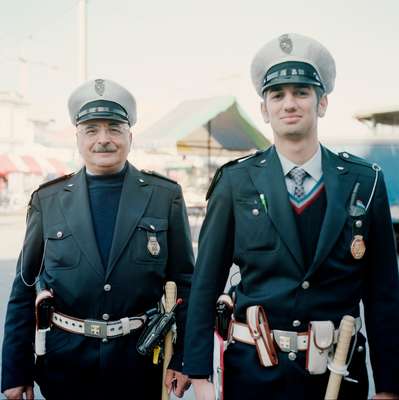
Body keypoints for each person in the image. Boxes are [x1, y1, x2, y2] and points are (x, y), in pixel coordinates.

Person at [184, 33, 399, 399]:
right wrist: (199, 372)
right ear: (265, 109)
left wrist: (390, 385)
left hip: (337, 374)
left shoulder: (366, 182)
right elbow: (205, 284)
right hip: (254, 374)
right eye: (277, 95)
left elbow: (383, 294)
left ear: (323, 103)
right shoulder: (235, 182)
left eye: (301, 92)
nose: (289, 103)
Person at [2, 78, 194, 399]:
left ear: (130, 136)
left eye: (114, 129)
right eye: (91, 130)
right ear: (77, 138)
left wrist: (186, 356)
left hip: (140, 364)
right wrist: (15, 370)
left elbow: (186, 284)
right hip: (65, 366)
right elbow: (24, 290)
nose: (103, 139)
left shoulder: (165, 196)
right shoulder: (47, 200)